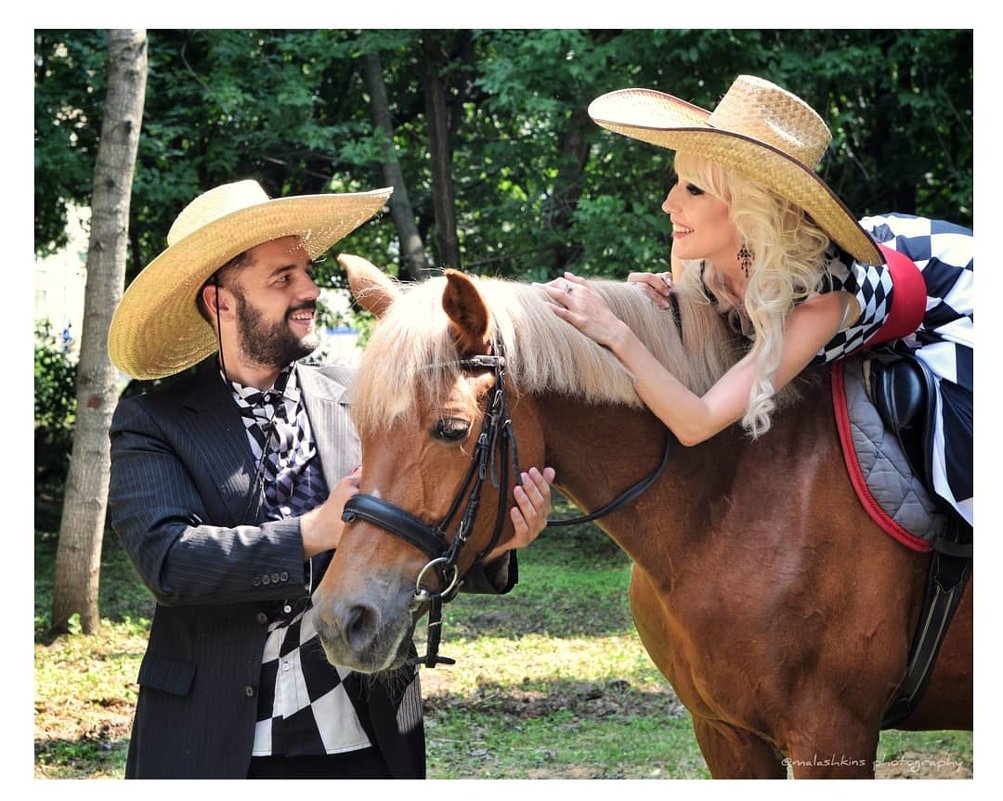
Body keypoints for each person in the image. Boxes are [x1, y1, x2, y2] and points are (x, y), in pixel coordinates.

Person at [107, 179, 556, 779]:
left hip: (363, 737)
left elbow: (409, 542)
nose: (310, 291)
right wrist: (311, 532)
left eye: (307, 272)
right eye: (282, 278)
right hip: (213, 742)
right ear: (220, 302)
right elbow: (167, 562)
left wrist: (499, 549)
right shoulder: (153, 420)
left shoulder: (366, 395)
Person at [538, 75, 972, 529]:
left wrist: (615, 332)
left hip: (952, 292)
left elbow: (697, 422)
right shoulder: (697, 255)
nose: (668, 203)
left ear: (749, 208)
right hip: (871, 258)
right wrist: (665, 297)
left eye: (694, 189)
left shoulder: (819, 302)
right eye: (678, 182)